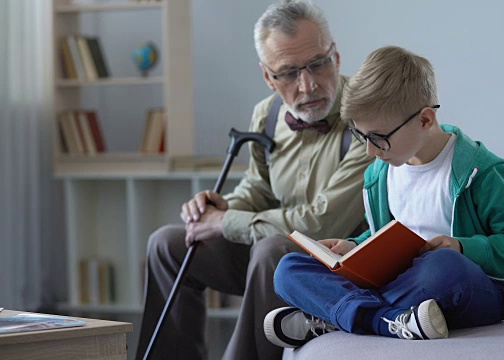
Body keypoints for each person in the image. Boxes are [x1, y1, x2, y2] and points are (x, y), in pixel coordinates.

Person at [264, 45, 504, 347]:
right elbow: (387, 237)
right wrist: (353, 246)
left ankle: (341, 316)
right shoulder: (380, 174)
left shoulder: (480, 171)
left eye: (378, 138)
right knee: (288, 268)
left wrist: (462, 247)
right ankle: (386, 320)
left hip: (467, 285)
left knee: (444, 266)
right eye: (361, 136)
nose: (369, 150)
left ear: (425, 120)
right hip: (402, 286)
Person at [135, 2, 372, 359]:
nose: (307, 86)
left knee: (271, 250)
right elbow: (259, 189)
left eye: (317, 64)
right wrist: (222, 207)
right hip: (272, 253)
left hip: (340, 261)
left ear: (335, 55)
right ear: (267, 76)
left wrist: (227, 222)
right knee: (168, 243)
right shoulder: (267, 114)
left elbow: (321, 222)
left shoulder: (365, 116)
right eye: (289, 73)